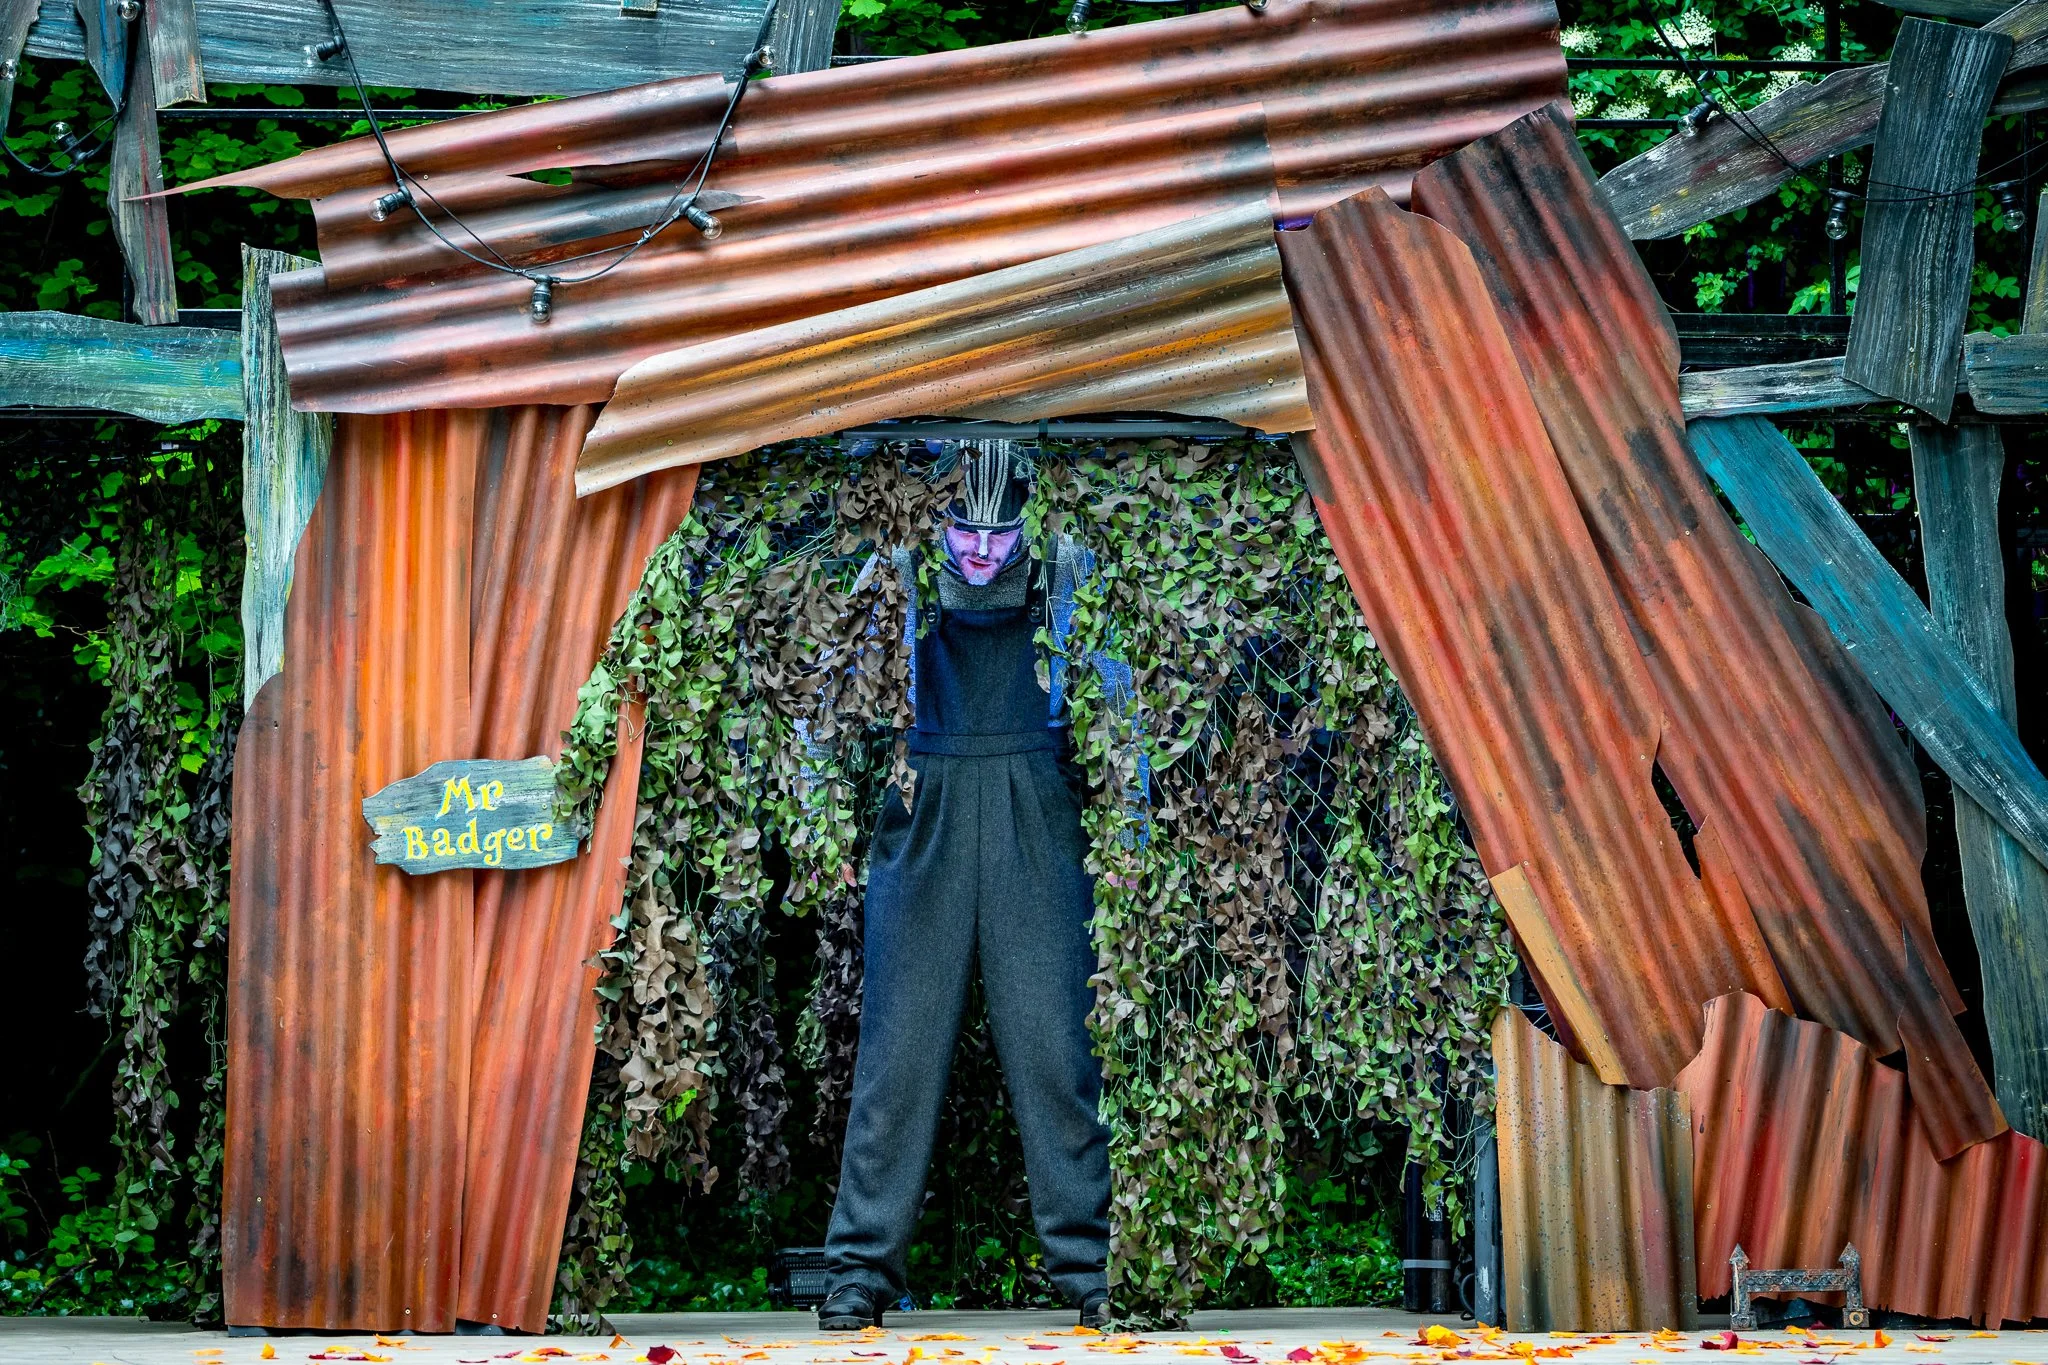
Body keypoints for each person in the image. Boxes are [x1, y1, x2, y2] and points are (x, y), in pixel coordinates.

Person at [818, 442, 1112, 1331]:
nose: (981, 552)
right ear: (936, 518)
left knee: (1058, 1046)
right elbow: (826, 705)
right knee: (897, 1054)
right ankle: (859, 1273)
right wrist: (822, 809)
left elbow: (1119, 707)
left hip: (1038, 812)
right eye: (965, 529)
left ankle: (1091, 1269)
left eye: (1000, 532)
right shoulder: (895, 575)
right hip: (925, 809)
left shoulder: (1067, 574)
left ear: (1028, 521)